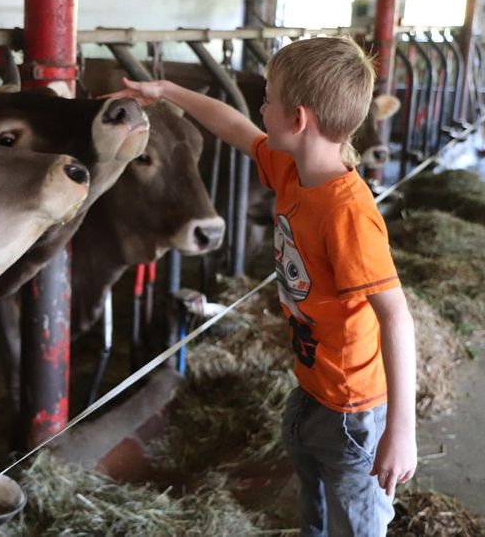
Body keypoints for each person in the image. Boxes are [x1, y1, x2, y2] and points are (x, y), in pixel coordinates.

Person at [108, 36, 417, 537]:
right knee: (316, 509)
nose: (260, 107)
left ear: (298, 119)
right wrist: (166, 90)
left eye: (268, 98)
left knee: (358, 525)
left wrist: (401, 431)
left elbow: (395, 316)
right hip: (315, 388)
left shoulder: (347, 214)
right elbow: (234, 126)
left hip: (355, 411)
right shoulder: (296, 169)